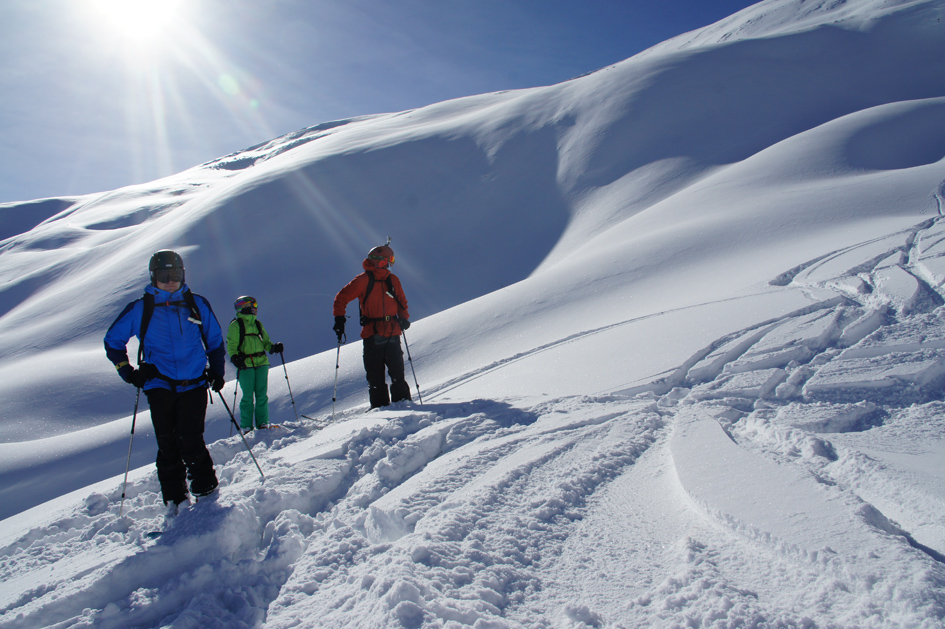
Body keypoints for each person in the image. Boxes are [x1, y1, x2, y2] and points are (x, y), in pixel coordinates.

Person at [104, 250, 226, 514]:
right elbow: (113, 342)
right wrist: (128, 372)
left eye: (176, 274)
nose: (170, 280)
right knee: (167, 442)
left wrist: (217, 371)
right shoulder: (141, 308)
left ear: (183, 275)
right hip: (159, 385)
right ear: (153, 276)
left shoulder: (197, 303)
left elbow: (215, 341)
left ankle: (206, 493)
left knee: (191, 439)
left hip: (194, 384)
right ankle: (175, 500)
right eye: (164, 275)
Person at [333, 243, 412, 408]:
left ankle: (400, 405)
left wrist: (404, 318)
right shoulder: (364, 280)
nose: (390, 263)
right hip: (376, 333)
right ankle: (386, 407)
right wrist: (339, 318)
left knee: (395, 372)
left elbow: (401, 301)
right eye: (389, 259)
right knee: (377, 374)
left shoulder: (392, 280)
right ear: (380, 261)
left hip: (389, 331)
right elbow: (342, 297)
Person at [226, 295, 283, 431]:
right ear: (247, 308)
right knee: (247, 397)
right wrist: (235, 357)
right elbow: (231, 344)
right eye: (254, 306)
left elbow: (265, 342)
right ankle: (247, 426)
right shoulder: (236, 325)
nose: (256, 309)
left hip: (261, 362)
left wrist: (274, 347)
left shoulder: (258, 324)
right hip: (246, 364)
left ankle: (262, 424)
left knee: (261, 395)